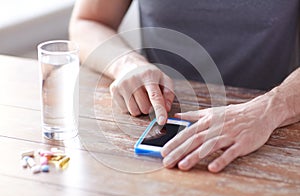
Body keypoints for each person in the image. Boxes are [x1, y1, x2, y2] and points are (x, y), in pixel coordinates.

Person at [69, 0, 300, 173]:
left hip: (273, 125)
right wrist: (127, 64)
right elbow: (88, 21)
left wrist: (271, 109)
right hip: (157, 116)